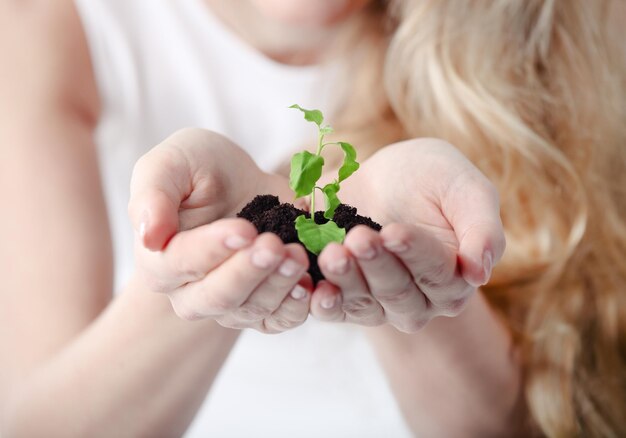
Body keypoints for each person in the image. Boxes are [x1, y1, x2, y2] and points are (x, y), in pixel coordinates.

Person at [1, 0, 624, 436]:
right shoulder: (53, 28)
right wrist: (197, 272)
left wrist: (407, 275)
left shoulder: (527, 34)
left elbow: (504, 424)